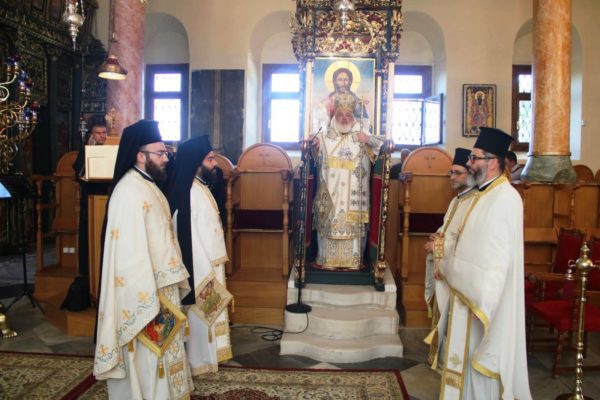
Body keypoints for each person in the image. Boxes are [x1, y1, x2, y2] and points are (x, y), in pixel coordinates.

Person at [93, 120, 193, 400]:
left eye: (165, 153)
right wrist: (147, 292)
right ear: (140, 155)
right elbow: (128, 253)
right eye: (160, 153)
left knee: (164, 352)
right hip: (143, 292)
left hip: (162, 285)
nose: (165, 158)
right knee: (148, 356)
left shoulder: (147, 185)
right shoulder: (128, 191)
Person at [439, 127, 531, 399]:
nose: (469, 163)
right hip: (467, 294)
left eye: (474, 158)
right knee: (464, 366)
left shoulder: (505, 198)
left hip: (483, 303)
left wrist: (479, 297)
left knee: (480, 372)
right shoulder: (483, 194)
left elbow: (496, 260)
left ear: (492, 162)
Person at [166, 135, 233, 375]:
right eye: (210, 159)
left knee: (208, 316)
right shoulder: (188, 193)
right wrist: (203, 271)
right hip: (201, 267)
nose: (215, 164)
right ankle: (200, 360)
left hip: (211, 263)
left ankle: (211, 356)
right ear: (196, 162)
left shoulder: (199, 187)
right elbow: (188, 237)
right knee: (200, 316)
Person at [312, 94, 383, 270]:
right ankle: (327, 260)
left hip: (353, 198)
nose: (344, 118)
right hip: (331, 195)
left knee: (353, 225)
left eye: (348, 115)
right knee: (328, 222)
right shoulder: (324, 135)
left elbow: (383, 145)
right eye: (340, 115)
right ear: (334, 116)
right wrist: (313, 144)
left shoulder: (361, 134)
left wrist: (367, 139)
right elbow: (313, 150)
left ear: (353, 117)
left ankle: (353, 262)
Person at [423, 148, 476, 370]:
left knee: (453, 317)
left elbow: (468, 240)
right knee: (443, 313)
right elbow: (448, 229)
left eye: (457, 173)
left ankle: (450, 364)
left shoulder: (474, 202)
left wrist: (438, 246)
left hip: (457, 273)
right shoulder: (457, 201)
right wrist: (438, 237)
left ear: (470, 174)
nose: (452, 177)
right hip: (444, 267)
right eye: (451, 173)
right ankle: (440, 358)